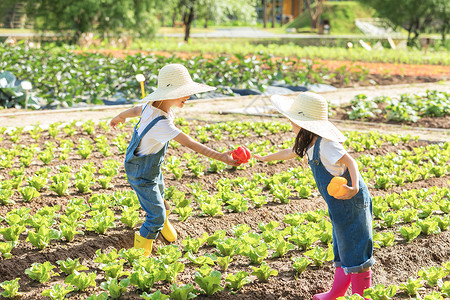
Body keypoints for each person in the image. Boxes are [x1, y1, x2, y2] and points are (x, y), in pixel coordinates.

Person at [110, 63, 239, 256]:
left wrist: (120, 116)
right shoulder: (162, 124)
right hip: (140, 173)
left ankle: (162, 225)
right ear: (169, 94)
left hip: (150, 169)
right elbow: (191, 143)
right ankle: (140, 253)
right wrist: (221, 157)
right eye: (184, 92)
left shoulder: (152, 107)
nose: (188, 96)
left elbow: (137, 110)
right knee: (155, 214)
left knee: (161, 198)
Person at [255, 92, 374, 299]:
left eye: (293, 120)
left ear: (305, 123)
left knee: (355, 247)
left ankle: (361, 295)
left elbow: (351, 162)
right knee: (342, 245)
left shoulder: (327, 145)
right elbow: (289, 152)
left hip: (352, 201)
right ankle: (337, 292)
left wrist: (354, 187)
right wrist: (265, 158)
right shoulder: (310, 143)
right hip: (338, 204)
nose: (290, 123)